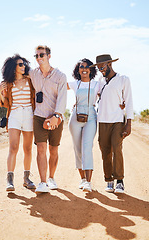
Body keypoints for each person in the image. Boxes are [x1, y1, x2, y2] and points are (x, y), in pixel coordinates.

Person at [90, 54, 133, 193]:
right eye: (98, 68)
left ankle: (119, 181)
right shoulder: (99, 81)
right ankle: (109, 180)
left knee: (117, 148)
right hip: (102, 120)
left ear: (109, 64)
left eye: (102, 67)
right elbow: (92, 95)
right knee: (105, 150)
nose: (100, 70)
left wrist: (129, 123)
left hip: (118, 121)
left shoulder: (123, 79)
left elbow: (129, 101)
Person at [28, 45, 67, 193]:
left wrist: (56, 116)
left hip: (55, 117)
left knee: (53, 149)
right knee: (41, 149)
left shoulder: (60, 76)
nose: (39, 58)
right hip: (39, 117)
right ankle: (43, 182)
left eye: (41, 55)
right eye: (36, 56)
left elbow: (63, 98)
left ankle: (51, 178)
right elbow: (17, 76)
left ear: (49, 56)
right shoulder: (33, 74)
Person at [0, 54, 36, 191]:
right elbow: (6, 104)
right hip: (14, 115)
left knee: (28, 148)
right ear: (14, 68)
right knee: (13, 147)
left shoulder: (31, 80)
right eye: (20, 64)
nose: (23, 66)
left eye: (24, 64)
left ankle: (26, 179)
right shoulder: (8, 83)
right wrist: (0, 93)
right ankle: (10, 180)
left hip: (29, 115)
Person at [67, 58, 99, 192]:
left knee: (87, 147)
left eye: (87, 67)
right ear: (78, 69)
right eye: (81, 66)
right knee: (77, 149)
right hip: (76, 115)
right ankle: (82, 179)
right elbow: (56, 86)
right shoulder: (75, 84)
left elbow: (110, 93)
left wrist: (123, 102)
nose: (84, 69)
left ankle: (88, 182)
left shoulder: (97, 84)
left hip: (91, 115)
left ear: (91, 69)